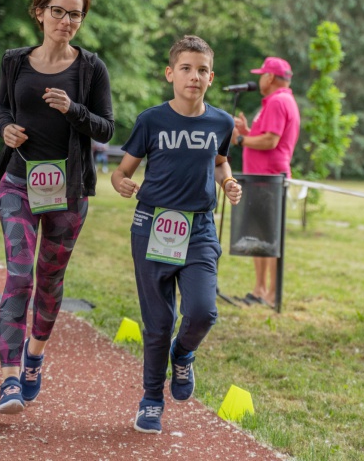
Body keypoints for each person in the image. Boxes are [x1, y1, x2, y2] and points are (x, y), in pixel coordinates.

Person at [0, 0, 114, 414]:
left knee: (49, 279)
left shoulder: (91, 69)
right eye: (58, 11)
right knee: (19, 275)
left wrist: (74, 109)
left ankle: (34, 357)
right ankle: (8, 379)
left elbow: (106, 128)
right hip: (19, 183)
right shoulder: (14, 61)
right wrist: (5, 128)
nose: (66, 20)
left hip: (69, 190)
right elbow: (1, 106)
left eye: (75, 14)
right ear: (39, 12)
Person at [111, 35, 242, 434]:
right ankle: (151, 399)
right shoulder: (151, 120)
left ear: (211, 77)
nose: (194, 76)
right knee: (158, 321)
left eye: (202, 70)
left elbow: (219, 161)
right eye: (186, 68)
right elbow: (123, 170)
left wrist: (228, 181)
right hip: (153, 225)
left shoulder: (221, 122)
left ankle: (182, 353)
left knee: (203, 311)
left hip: (199, 228)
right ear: (171, 73)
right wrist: (120, 182)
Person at [231, 56, 300, 306]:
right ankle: (259, 289)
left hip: (268, 179)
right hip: (259, 177)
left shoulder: (278, 101)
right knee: (259, 235)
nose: (259, 79)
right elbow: (266, 137)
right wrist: (248, 133)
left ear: (270, 77)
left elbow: (271, 141)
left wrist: (240, 140)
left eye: (262, 74)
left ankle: (271, 294)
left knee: (269, 237)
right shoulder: (276, 101)